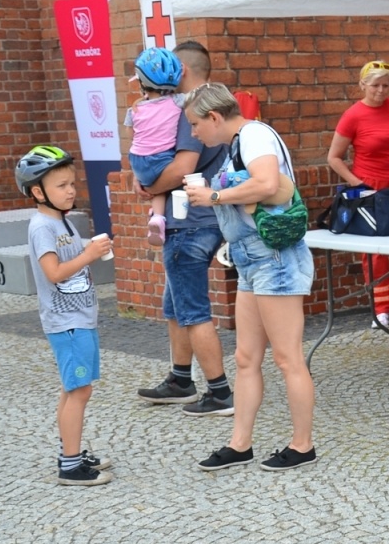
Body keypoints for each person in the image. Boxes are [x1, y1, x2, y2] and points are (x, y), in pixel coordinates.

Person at [182, 84, 318, 471]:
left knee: (288, 358)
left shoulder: (254, 135)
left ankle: (303, 444)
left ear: (214, 117)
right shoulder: (240, 141)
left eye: (195, 124)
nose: (194, 133)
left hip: (273, 258)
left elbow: (268, 184)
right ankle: (240, 444)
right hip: (251, 262)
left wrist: (213, 197)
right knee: (245, 358)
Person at [135, 40, 234, 418]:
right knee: (174, 304)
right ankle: (180, 380)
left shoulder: (188, 111)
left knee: (193, 310)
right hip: (196, 219)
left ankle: (220, 391)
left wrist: (149, 185)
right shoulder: (207, 106)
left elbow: (181, 168)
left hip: (191, 222)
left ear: (185, 71)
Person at [15, 145, 115, 486]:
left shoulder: (61, 221)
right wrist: (89, 254)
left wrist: (88, 249)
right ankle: (70, 465)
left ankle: (69, 451)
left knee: (72, 388)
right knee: (80, 391)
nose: (71, 190)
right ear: (38, 192)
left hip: (78, 318)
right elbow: (54, 273)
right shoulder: (43, 226)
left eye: (72, 183)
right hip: (67, 322)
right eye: (61, 185)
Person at [326, 59, 389, 327]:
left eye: (386, 85)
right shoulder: (353, 116)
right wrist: (357, 183)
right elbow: (334, 157)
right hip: (371, 190)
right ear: (362, 85)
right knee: (376, 252)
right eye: (375, 85)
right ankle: (381, 309)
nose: (381, 91)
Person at [125, 47, 185, 247]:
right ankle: (158, 216)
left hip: (138, 160)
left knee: (155, 185)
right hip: (162, 156)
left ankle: (156, 216)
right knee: (163, 184)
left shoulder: (134, 109)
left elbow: (131, 137)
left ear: (142, 83)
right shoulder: (178, 102)